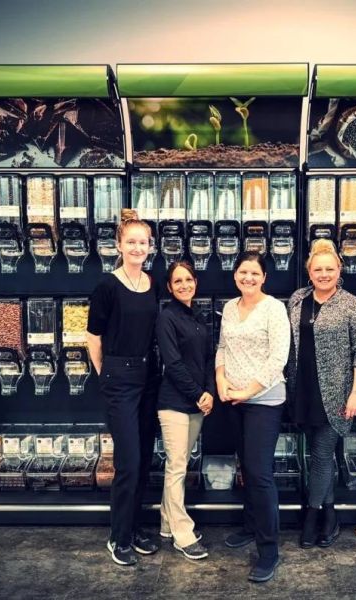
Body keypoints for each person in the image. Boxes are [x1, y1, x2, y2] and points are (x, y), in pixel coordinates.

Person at [86, 208, 161, 567]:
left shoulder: (151, 283)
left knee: (144, 458)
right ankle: (118, 538)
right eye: (130, 242)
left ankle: (133, 529)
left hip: (148, 377)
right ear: (118, 245)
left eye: (142, 242)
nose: (136, 248)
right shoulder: (107, 286)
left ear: (150, 246)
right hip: (119, 377)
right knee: (128, 461)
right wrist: (105, 375)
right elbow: (92, 337)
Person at [286, 239, 356, 549]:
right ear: (309, 271)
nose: (324, 274)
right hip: (302, 391)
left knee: (321, 457)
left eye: (330, 268)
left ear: (340, 269)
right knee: (316, 456)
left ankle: (311, 518)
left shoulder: (351, 304)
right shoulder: (297, 300)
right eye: (317, 269)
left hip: (336, 393)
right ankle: (331, 516)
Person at [216, 251, 290, 583]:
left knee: (260, 473)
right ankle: (250, 525)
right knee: (244, 465)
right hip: (233, 398)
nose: (248, 278)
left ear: (264, 277)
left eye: (254, 273)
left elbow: (279, 357)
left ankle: (269, 550)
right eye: (243, 272)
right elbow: (221, 347)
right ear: (235, 276)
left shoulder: (274, 308)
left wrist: (249, 391)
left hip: (265, 400)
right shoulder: (230, 308)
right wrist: (220, 379)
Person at [156, 260, 214, 561]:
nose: (183, 285)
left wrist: (209, 393)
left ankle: (167, 524)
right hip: (174, 404)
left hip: (196, 403)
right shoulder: (167, 317)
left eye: (188, 280)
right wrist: (198, 395)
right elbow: (173, 364)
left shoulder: (198, 317)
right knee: (177, 467)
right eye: (177, 281)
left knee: (179, 466)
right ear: (169, 287)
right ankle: (182, 534)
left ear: (195, 282)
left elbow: (207, 359)